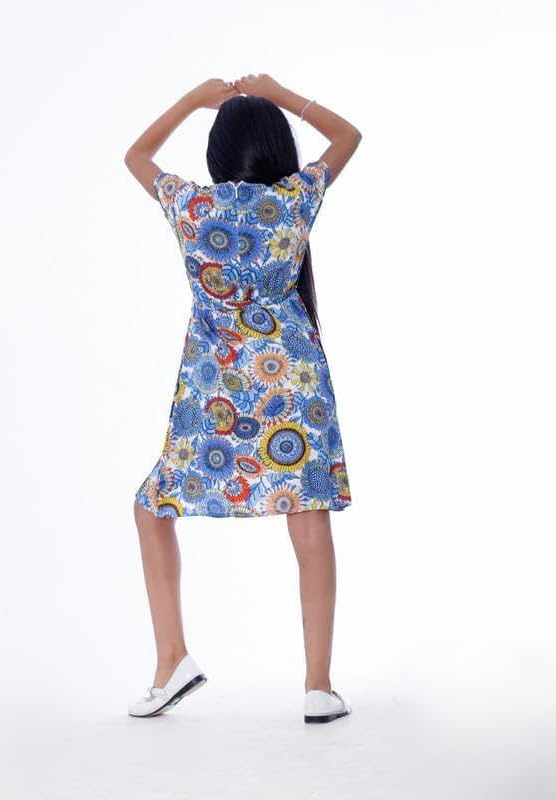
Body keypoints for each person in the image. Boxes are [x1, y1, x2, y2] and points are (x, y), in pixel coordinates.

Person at [123, 74, 363, 723]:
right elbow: (348, 136)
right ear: (277, 148)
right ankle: (319, 685)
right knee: (308, 520)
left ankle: (171, 660)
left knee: (152, 509)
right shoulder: (293, 200)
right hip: (294, 387)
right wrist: (282, 94)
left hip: (216, 395)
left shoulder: (192, 207)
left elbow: (136, 156)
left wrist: (192, 100)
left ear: (216, 154)